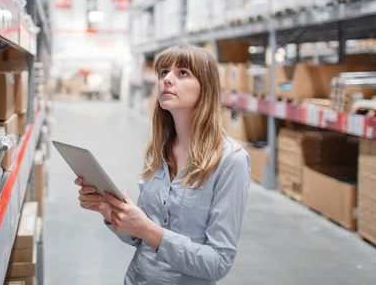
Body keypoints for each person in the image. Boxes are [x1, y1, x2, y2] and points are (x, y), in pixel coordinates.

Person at [75, 44, 250, 284]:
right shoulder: (159, 149)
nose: (167, 79)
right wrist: (110, 211)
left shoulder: (231, 160)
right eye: (163, 72)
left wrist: (148, 229)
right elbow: (138, 238)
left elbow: (218, 262)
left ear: (206, 87)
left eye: (183, 73)